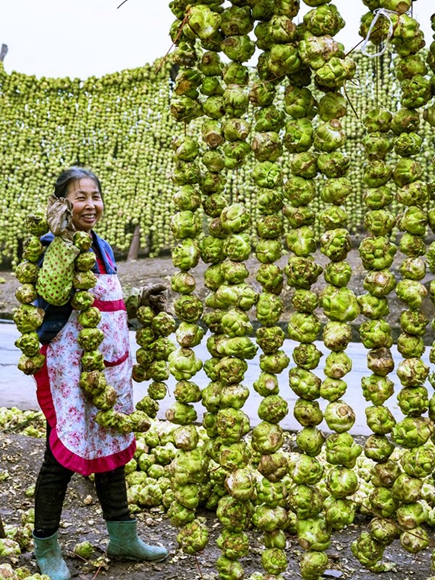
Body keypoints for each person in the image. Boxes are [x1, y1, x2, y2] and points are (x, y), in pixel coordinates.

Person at [32, 167, 168, 580]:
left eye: (95, 196)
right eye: (79, 198)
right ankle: (46, 545)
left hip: (108, 368)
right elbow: (54, 294)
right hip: (69, 367)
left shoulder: (103, 247)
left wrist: (140, 301)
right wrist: (63, 243)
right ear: (62, 205)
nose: (90, 205)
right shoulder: (55, 246)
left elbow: (102, 302)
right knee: (60, 455)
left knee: (111, 449)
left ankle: (123, 534)